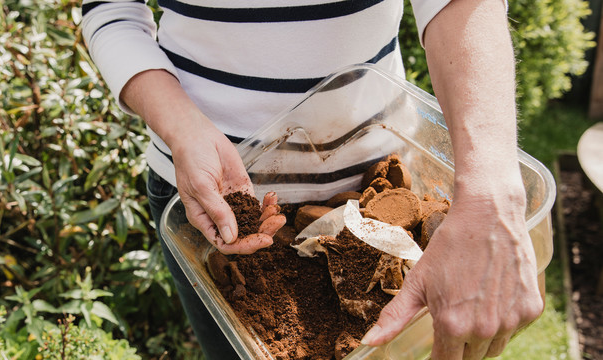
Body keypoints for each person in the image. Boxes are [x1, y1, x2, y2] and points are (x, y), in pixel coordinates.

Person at [81, 0, 544, 358]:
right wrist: (182, 128)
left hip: (377, 191)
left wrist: (489, 198)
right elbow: (110, 9)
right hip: (212, 205)